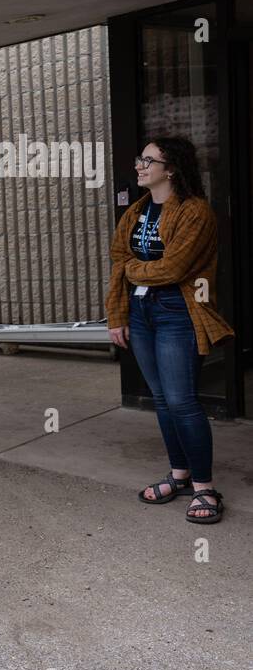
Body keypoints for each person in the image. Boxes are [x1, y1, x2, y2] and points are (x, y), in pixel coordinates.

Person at [107, 137, 233, 524]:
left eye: (149, 160)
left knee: (182, 401)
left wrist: (133, 269)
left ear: (171, 168)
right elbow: (117, 259)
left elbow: (175, 268)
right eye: (139, 158)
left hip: (178, 310)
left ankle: (205, 488)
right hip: (142, 311)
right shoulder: (137, 211)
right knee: (162, 399)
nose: (140, 166)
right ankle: (179, 475)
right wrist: (117, 316)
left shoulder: (196, 213)